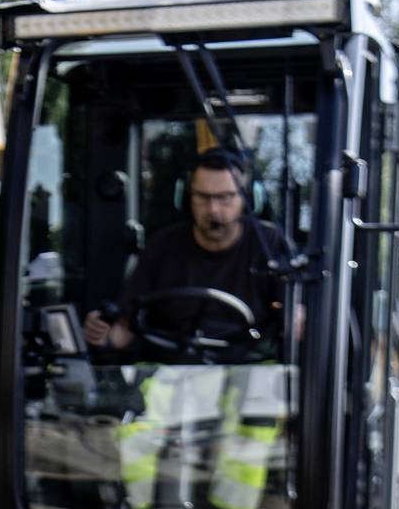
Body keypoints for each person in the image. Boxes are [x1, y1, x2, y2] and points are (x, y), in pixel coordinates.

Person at [84, 148, 286, 356]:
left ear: (247, 198)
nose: (213, 209)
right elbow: (125, 323)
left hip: (252, 371)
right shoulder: (163, 246)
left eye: (225, 197)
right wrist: (105, 333)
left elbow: (295, 319)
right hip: (176, 370)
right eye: (202, 197)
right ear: (187, 197)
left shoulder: (269, 243)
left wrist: (296, 321)